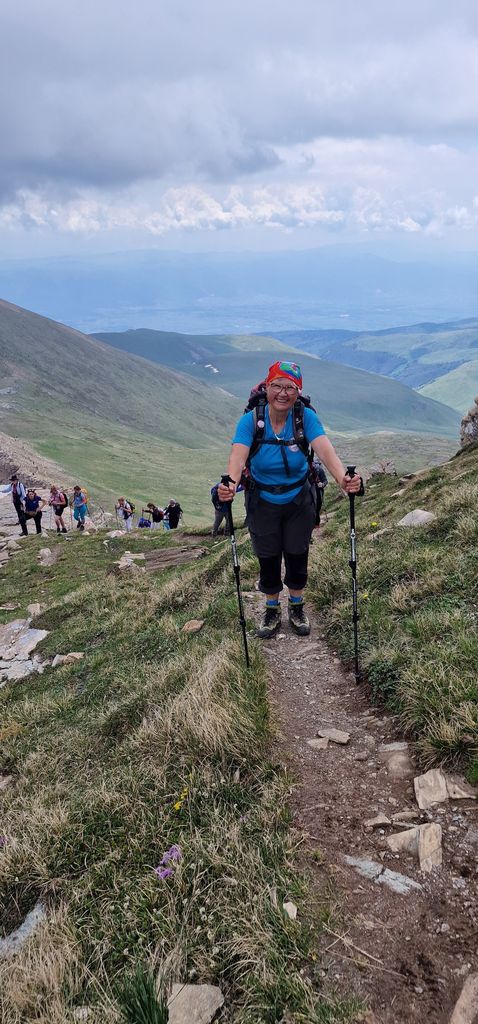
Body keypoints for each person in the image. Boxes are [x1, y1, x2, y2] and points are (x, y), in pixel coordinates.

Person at [218, 360, 362, 639]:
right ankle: (271, 608)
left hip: (298, 500)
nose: (283, 393)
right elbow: (238, 456)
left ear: (298, 392)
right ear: (267, 387)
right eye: (277, 386)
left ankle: (296, 606)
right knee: (268, 556)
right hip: (262, 500)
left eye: (290, 388)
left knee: (297, 553)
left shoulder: (304, 417)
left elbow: (325, 450)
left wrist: (343, 479)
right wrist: (230, 485)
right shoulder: (251, 420)